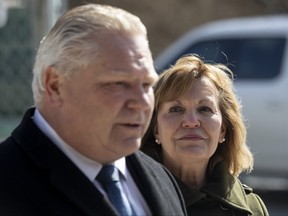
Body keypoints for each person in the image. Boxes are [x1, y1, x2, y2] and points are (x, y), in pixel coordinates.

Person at [0, 4, 187, 216]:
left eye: (146, 85)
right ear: (54, 85)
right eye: (118, 84)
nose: (142, 102)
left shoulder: (161, 179)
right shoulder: (7, 182)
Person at [141, 54, 269, 215]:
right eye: (176, 109)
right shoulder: (130, 201)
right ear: (155, 129)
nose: (191, 121)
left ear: (223, 129)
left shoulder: (252, 208)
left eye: (205, 109)